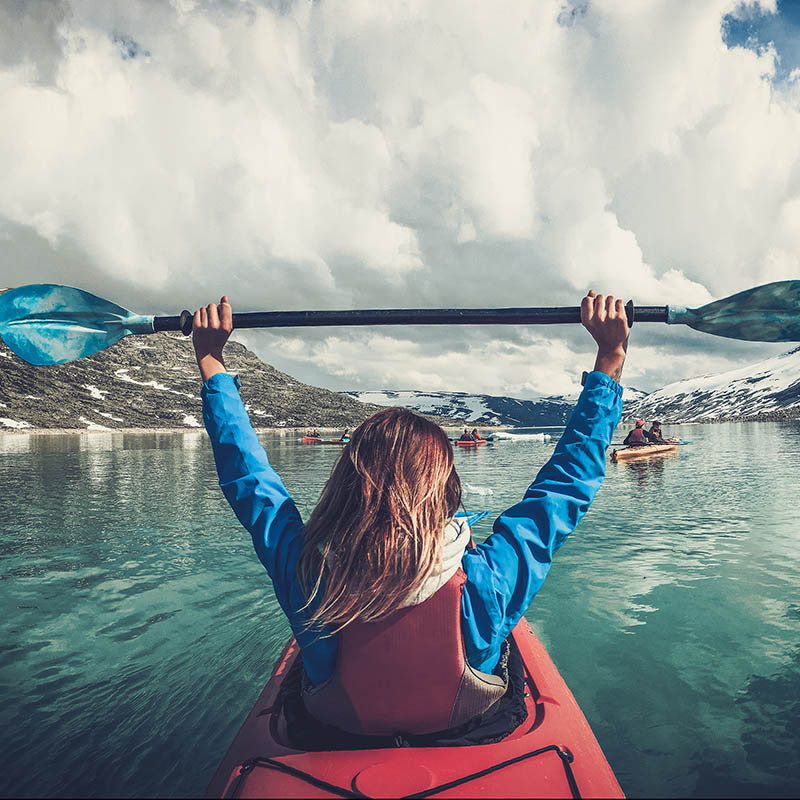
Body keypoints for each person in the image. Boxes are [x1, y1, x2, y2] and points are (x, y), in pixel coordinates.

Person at [192, 290, 627, 746]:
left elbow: (250, 481)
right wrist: (610, 356)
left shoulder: (307, 573)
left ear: (345, 486)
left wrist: (211, 361)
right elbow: (566, 485)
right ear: (444, 490)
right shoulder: (486, 581)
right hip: (464, 730)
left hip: (338, 732)